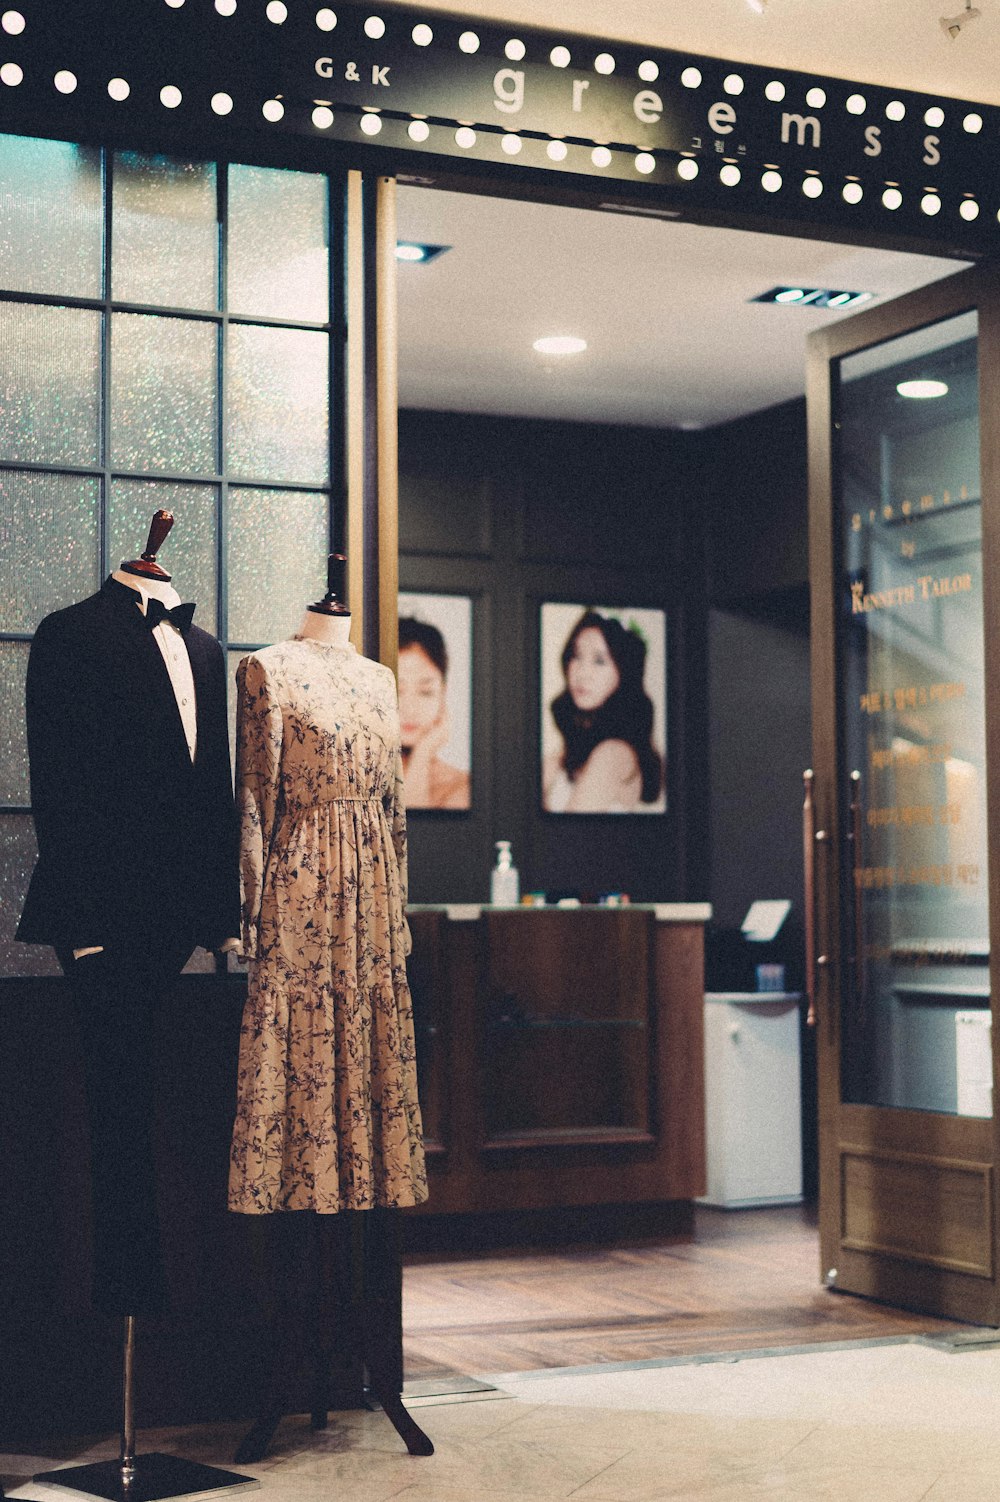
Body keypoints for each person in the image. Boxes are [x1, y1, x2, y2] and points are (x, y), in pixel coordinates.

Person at [543, 609, 663, 814]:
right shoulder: (569, 752)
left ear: (624, 672)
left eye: (599, 660)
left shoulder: (614, 753)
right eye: (576, 655)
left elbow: (565, 833)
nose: (582, 672)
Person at [397, 616, 470, 810]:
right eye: (396, 691)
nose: (410, 709)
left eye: (426, 692)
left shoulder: (461, 788)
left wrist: (423, 752)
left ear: (443, 695)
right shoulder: (349, 780)